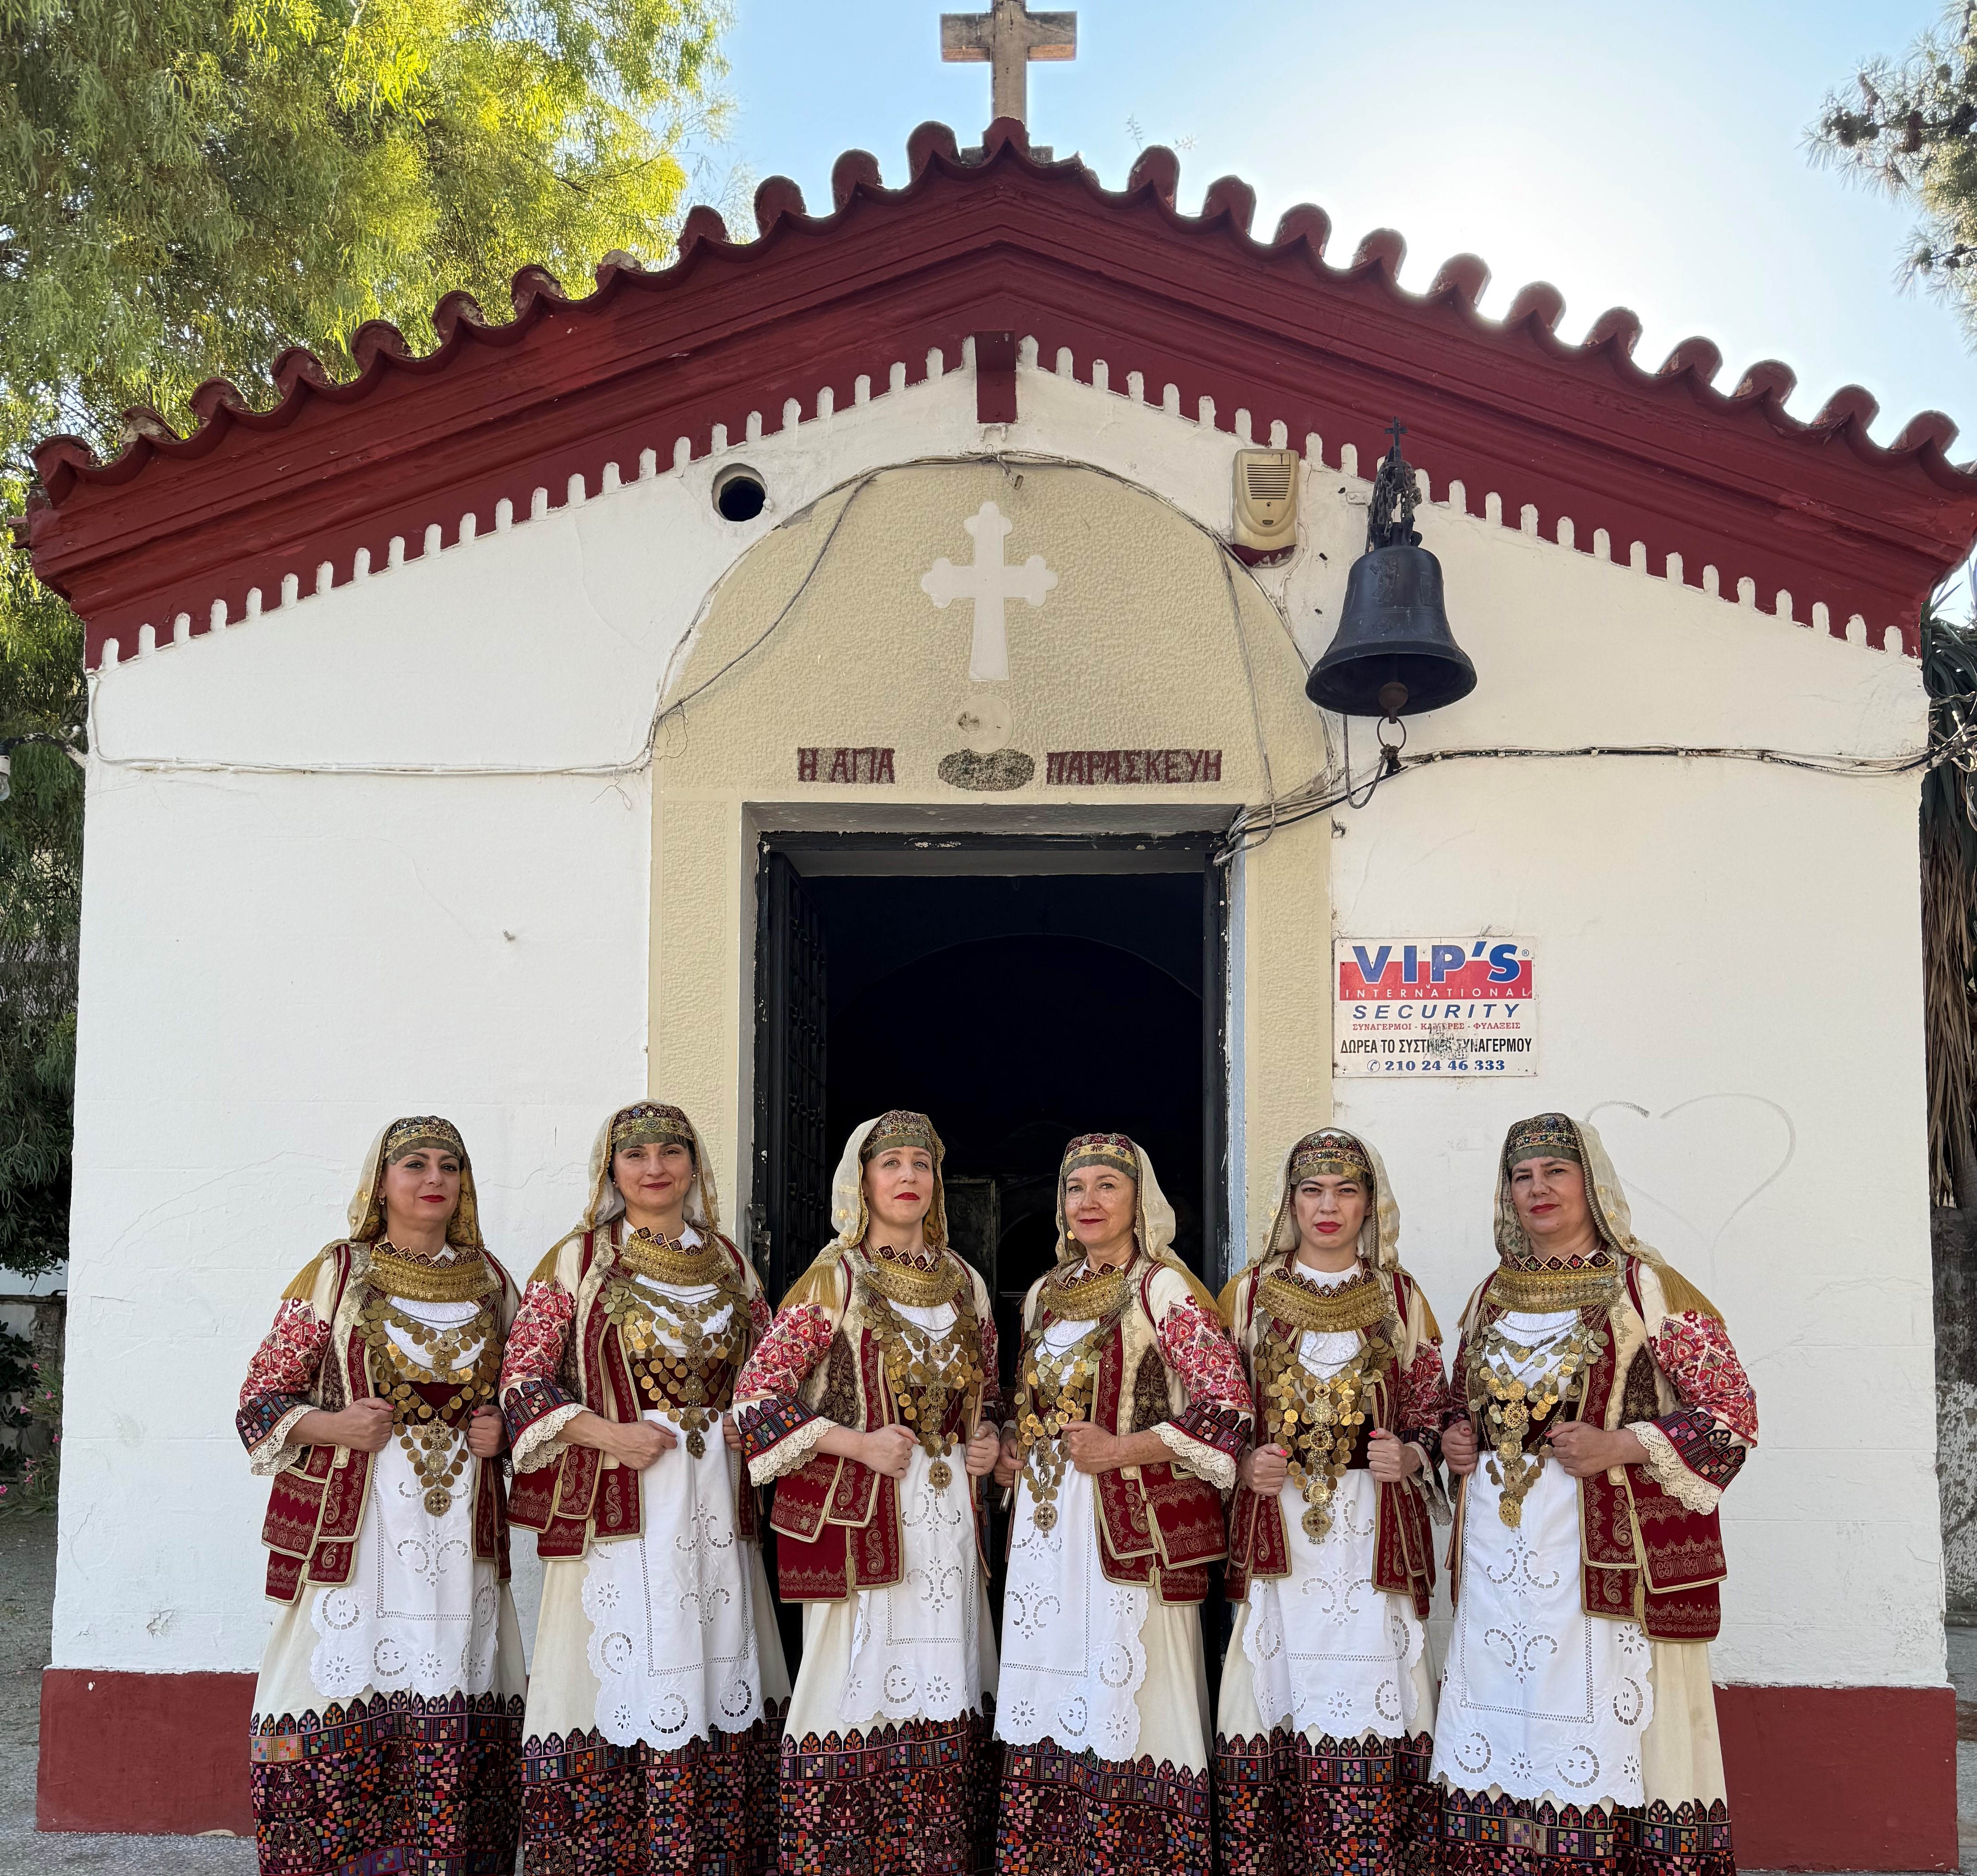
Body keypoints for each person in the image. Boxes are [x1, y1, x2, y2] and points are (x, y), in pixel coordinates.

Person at [1434, 1113, 1755, 1876]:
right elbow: (1458, 1404)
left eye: (1556, 1171)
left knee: (1608, 1732)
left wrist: (1621, 1444)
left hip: (1607, 1561)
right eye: (1522, 1175)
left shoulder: (1646, 1286)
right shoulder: (1490, 1295)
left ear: (1593, 1183)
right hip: (1501, 1558)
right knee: (1504, 1726)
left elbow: (1733, 1414)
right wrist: (1456, 1439)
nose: (1538, 1188)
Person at [498, 1100, 788, 1874]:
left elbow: (771, 1379)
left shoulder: (731, 1264)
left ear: (694, 1165)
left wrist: (751, 1423)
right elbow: (522, 1381)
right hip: (618, 1506)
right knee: (621, 1673)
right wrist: (609, 1434)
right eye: (636, 1154)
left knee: (715, 1659)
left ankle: (710, 1854)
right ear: (611, 1168)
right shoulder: (577, 1261)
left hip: (715, 1502)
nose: (654, 1167)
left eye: (671, 1151)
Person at [237, 1115, 523, 1876]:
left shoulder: (493, 1282)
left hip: (460, 1534)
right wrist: (335, 1424)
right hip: (358, 1529)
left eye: (449, 1165)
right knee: (340, 1682)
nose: (434, 1178)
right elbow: (259, 1401)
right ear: (382, 1182)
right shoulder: (338, 1272)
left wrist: (503, 1428)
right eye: (414, 1164)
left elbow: (528, 1396)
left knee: (455, 1679)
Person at [734, 1111, 1004, 1876]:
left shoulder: (966, 1283)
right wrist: (858, 1444)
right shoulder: (835, 1278)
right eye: (892, 1163)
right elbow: (757, 1400)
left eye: (922, 1162)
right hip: (862, 1517)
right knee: (856, 1687)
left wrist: (989, 1435)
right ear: (863, 1181)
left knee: (947, 1679)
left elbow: (991, 1391)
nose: (909, 1175)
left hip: (949, 1519)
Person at [991, 1132, 1252, 1876]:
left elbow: (1227, 1407)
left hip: (1133, 1530)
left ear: (1140, 1199)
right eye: (1076, 1187)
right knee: (1050, 1690)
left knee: (1133, 1698)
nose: (1090, 1201)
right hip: (1047, 1530)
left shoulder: (1164, 1289)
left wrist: (1121, 1449)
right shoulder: (1043, 1295)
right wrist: (1009, 1446)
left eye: (1108, 1184)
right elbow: (1025, 1405)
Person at [1213, 1126, 1453, 1876]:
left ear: (1370, 1204)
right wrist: (1243, 1460)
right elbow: (1210, 1408)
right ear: (1290, 1202)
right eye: (1312, 1190)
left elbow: (1437, 1409)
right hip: (1279, 1527)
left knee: (1374, 1683)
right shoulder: (1247, 1295)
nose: (1328, 1206)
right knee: (1275, 1687)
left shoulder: (1401, 1297)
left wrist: (1411, 1452)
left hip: (1372, 1529)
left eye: (1346, 1190)